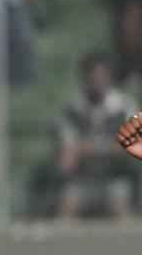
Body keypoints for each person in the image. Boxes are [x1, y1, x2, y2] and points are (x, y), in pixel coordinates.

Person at [56, 53, 137, 219]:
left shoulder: (125, 106)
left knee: (119, 201)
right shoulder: (72, 109)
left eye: (101, 77)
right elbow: (68, 153)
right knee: (68, 202)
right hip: (82, 179)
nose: (97, 83)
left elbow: (132, 148)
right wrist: (110, 146)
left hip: (115, 177)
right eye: (93, 78)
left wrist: (88, 148)